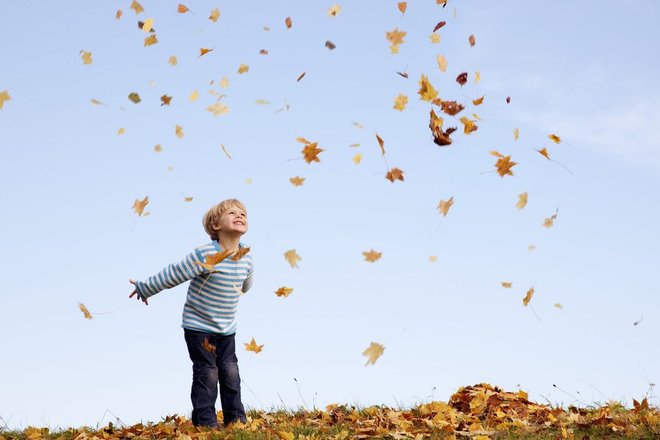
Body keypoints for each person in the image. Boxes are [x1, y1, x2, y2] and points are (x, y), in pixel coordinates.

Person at [129, 198, 253, 428]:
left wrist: (240, 285)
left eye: (243, 214)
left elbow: (246, 283)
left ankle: (236, 419)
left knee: (230, 372)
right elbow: (175, 273)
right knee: (208, 373)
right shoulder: (206, 254)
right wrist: (146, 287)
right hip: (199, 327)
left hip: (227, 329)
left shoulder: (246, 256)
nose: (240, 216)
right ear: (216, 225)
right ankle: (205, 421)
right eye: (232, 213)